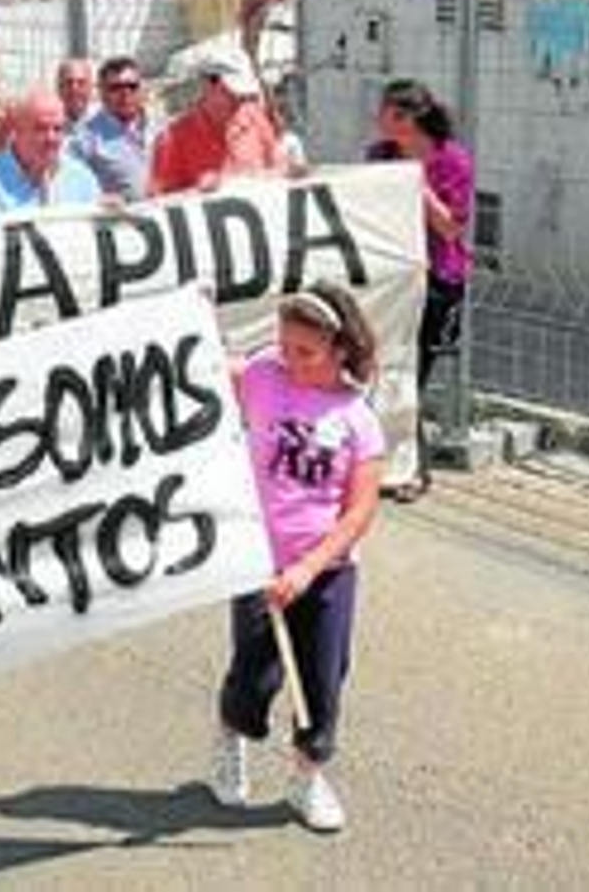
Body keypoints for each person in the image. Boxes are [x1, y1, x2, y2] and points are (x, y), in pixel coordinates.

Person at [212, 281, 385, 833]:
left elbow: (359, 512)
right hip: (257, 562)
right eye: (283, 346)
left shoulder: (358, 417)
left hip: (325, 571)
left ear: (340, 348)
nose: (289, 360)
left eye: (304, 352)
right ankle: (231, 739)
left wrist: (309, 568)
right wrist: (194, 311)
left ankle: (308, 777)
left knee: (321, 681)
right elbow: (199, 362)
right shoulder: (263, 375)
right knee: (253, 674)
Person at [370, 79, 474, 503]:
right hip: (391, 279)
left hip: (437, 280)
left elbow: (451, 227)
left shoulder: (452, 161)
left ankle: (415, 469)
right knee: (386, 372)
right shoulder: (379, 156)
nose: (380, 121)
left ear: (411, 119)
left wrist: (417, 185)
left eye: (390, 114)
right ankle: (387, 463)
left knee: (413, 376)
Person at [150, 51, 284, 196]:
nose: (239, 101)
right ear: (209, 85)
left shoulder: (256, 119)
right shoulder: (172, 140)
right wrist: (194, 193)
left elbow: (279, 170)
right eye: (232, 93)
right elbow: (158, 202)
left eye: (243, 95)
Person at [0, 91, 102, 214]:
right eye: (41, 129)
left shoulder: (82, 179)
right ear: (18, 130)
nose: (51, 138)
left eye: (58, 129)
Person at [70, 56, 153, 203]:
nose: (125, 93)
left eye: (131, 86)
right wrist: (99, 199)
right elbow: (74, 190)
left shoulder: (162, 130)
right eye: (115, 87)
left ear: (141, 89)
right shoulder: (85, 140)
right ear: (102, 92)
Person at [56, 57, 96, 131]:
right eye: (69, 82)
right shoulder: (49, 124)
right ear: (60, 88)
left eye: (81, 83)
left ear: (90, 88)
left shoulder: (105, 122)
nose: (74, 89)